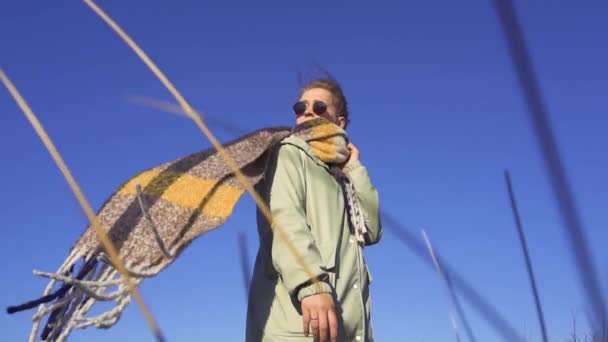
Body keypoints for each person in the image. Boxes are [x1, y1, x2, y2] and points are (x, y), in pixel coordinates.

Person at [246, 78, 382, 342]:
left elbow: (372, 230)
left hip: (346, 330)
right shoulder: (287, 151)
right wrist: (311, 283)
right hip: (297, 326)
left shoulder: (343, 177)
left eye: (319, 107)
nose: (307, 111)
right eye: (300, 107)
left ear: (340, 122)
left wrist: (354, 167)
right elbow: (285, 218)